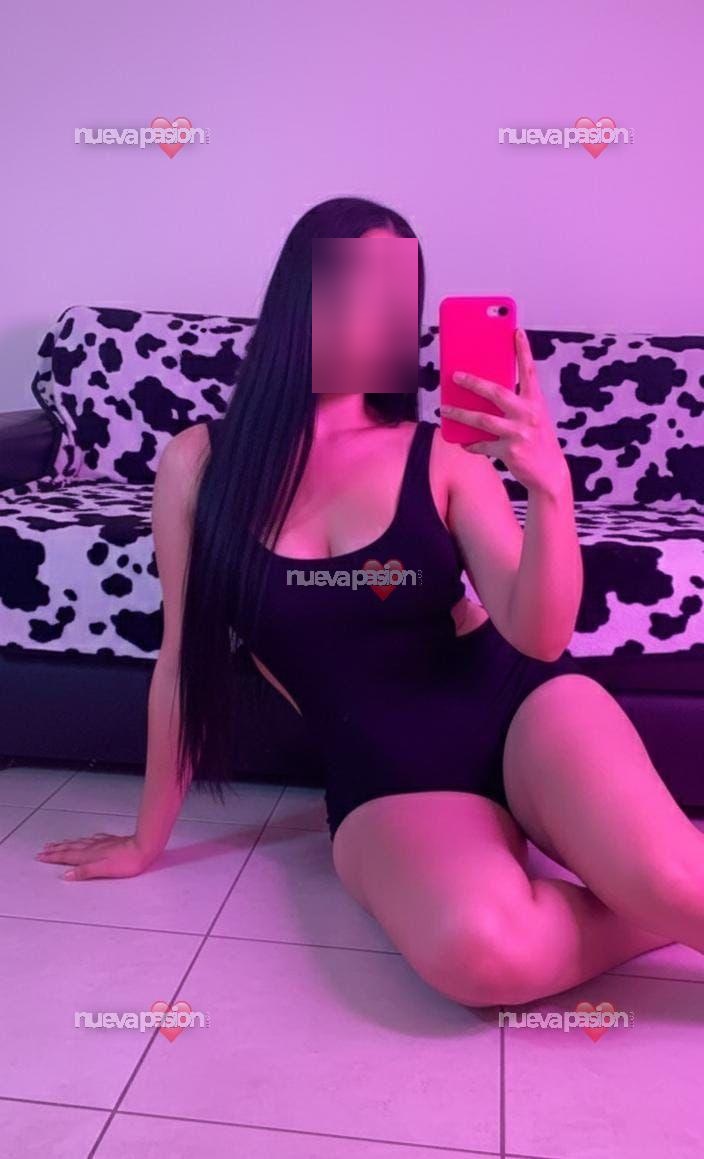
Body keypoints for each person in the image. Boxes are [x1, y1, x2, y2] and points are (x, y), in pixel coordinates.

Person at [36, 196, 704, 1010]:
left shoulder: (443, 454)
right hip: (388, 771)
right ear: (299, 294)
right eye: (351, 289)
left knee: (673, 875)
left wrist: (549, 487)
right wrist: (147, 839)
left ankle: (653, 886)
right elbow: (180, 662)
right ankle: (642, 902)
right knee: (483, 956)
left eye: (396, 295)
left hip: (518, 707)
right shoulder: (199, 465)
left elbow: (539, 634)